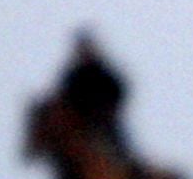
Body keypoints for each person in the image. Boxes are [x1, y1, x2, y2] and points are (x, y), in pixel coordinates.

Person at [55, 27, 138, 164]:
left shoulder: (103, 71)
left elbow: (119, 89)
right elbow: (64, 97)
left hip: (104, 120)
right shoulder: (73, 75)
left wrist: (109, 108)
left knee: (118, 149)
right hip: (79, 123)